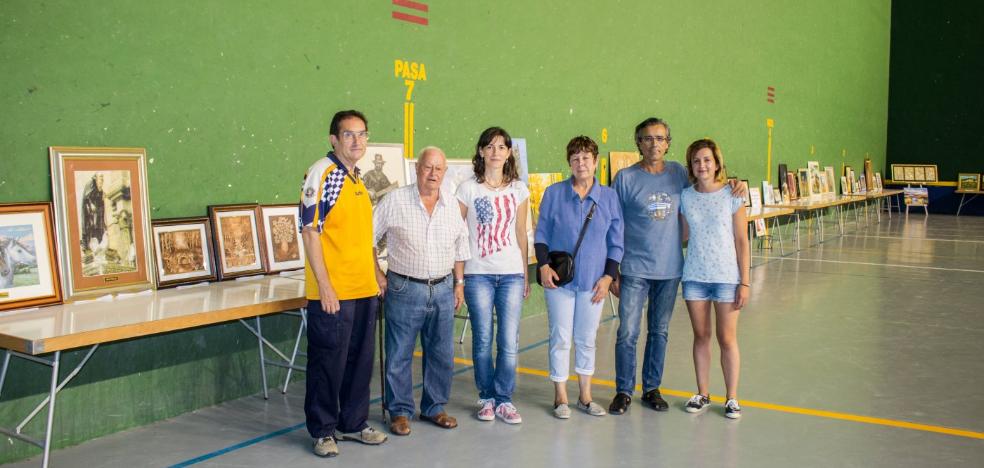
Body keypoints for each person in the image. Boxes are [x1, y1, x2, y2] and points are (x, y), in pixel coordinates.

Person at [608, 118, 744, 415]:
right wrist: (612, 269)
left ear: (668, 143)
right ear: (638, 143)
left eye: (659, 138)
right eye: (647, 138)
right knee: (628, 332)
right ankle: (623, 391)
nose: (653, 144)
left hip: (670, 270)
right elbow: (613, 225)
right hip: (633, 269)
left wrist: (735, 182)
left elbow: (708, 185)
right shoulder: (625, 178)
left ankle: (652, 388)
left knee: (659, 331)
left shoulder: (679, 174)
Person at [299, 109, 387, 458]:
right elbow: (310, 231)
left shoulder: (357, 179)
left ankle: (352, 424)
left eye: (362, 134)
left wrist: (376, 272)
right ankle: (322, 431)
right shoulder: (323, 173)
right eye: (349, 134)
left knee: (359, 362)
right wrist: (325, 286)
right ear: (334, 139)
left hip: (364, 289)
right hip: (333, 293)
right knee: (327, 363)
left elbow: (362, 236)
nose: (357, 140)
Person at [373, 146, 470, 436]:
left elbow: (460, 247)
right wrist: (377, 272)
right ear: (417, 169)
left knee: (441, 353)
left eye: (439, 169)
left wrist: (459, 283)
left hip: (442, 287)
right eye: (428, 167)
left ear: (444, 173)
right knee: (399, 353)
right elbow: (368, 236)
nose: (433, 174)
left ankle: (434, 407)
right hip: (404, 288)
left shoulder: (452, 204)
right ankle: (400, 412)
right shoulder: (395, 200)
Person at [535, 135, 623, 419]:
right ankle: (560, 396)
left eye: (586, 157)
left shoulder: (609, 197)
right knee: (560, 337)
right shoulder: (553, 193)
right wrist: (543, 265)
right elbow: (542, 233)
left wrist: (609, 277)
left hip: (594, 283)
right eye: (575, 158)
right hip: (559, 282)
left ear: (595, 161)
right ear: (569, 163)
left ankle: (585, 395)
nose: (581, 163)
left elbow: (616, 242)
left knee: (586, 338)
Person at [456, 127, 530, 424]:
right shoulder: (467, 189)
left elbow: (521, 234)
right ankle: (486, 397)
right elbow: (458, 235)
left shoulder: (519, 190)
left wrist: (525, 273)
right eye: (490, 146)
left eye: (502, 146)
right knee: (483, 338)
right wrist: (458, 277)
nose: (496, 151)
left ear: (509, 152)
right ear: (482, 151)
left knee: (509, 340)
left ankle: (504, 400)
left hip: (511, 273)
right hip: (478, 275)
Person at [678, 138, 750, 419]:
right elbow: (683, 236)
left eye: (707, 159)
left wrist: (744, 282)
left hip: (726, 278)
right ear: (691, 166)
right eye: (696, 161)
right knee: (701, 336)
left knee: (727, 338)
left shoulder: (733, 194)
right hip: (694, 275)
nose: (702, 165)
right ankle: (703, 393)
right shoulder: (685, 196)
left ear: (717, 163)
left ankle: (732, 397)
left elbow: (742, 241)